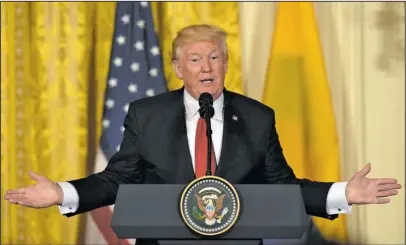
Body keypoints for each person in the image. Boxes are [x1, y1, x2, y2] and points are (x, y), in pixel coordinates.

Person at [5, 24, 401, 244]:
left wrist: (341, 193)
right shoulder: (147, 115)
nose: (206, 66)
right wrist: (62, 192)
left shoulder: (258, 117)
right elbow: (116, 180)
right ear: (179, 68)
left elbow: (282, 187)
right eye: (195, 59)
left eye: (214, 57)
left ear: (226, 63)